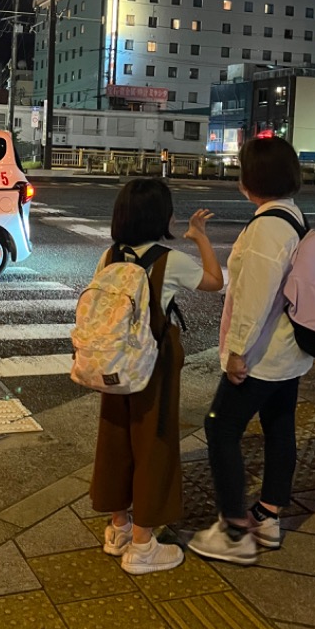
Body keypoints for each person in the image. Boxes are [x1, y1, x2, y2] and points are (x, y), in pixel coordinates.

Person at [188, 136, 313, 566]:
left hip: (261, 354)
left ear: (251, 179)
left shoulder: (265, 229)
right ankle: (269, 516)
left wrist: (237, 352)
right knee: (280, 427)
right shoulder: (293, 217)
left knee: (220, 427)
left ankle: (234, 530)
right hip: (288, 352)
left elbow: (255, 298)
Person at [90, 178, 224, 575]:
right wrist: (199, 237)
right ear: (161, 217)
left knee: (115, 439)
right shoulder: (169, 260)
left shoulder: (109, 255)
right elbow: (217, 283)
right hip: (152, 366)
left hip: (111, 363)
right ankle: (144, 544)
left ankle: (118, 528)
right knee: (153, 445)